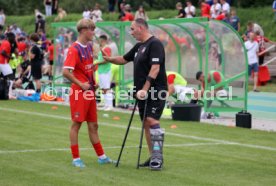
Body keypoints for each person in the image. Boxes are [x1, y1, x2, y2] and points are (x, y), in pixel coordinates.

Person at [103, 18, 167, 170]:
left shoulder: (155, 44)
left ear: (140, 28)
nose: (130, 32)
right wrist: (108, 59)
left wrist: (144, 89)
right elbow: (123, 59)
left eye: (132, 29)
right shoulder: (139, 46)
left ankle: (158, 157)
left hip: (156, 90)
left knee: (151, 120)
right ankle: (153, 156)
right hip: (141, 92)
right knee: (145, 122)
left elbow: (155, 69)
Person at [62, 18, 115, 168]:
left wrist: (93, 82)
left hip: (90, 91)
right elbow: (65, 72)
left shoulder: (89, 46)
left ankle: (102, 157)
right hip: (79, 92)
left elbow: (88, 67)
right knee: (76, 125)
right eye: (91, 29)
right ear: (84, 30)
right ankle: (76, 158)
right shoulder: (74, 49)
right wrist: (81, 84)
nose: (94, 32)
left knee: (94, 126)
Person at [97, 35, 113, 111]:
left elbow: (107, 59)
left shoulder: (107, 48)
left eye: (100, 40)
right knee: (103, 88)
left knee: (107, 88)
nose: (99, 42)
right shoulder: (102, 48)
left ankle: (110, 105)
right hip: (101, 70)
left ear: (103, 40)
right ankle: (106, 104)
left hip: (106, 71)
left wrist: (97, 63)